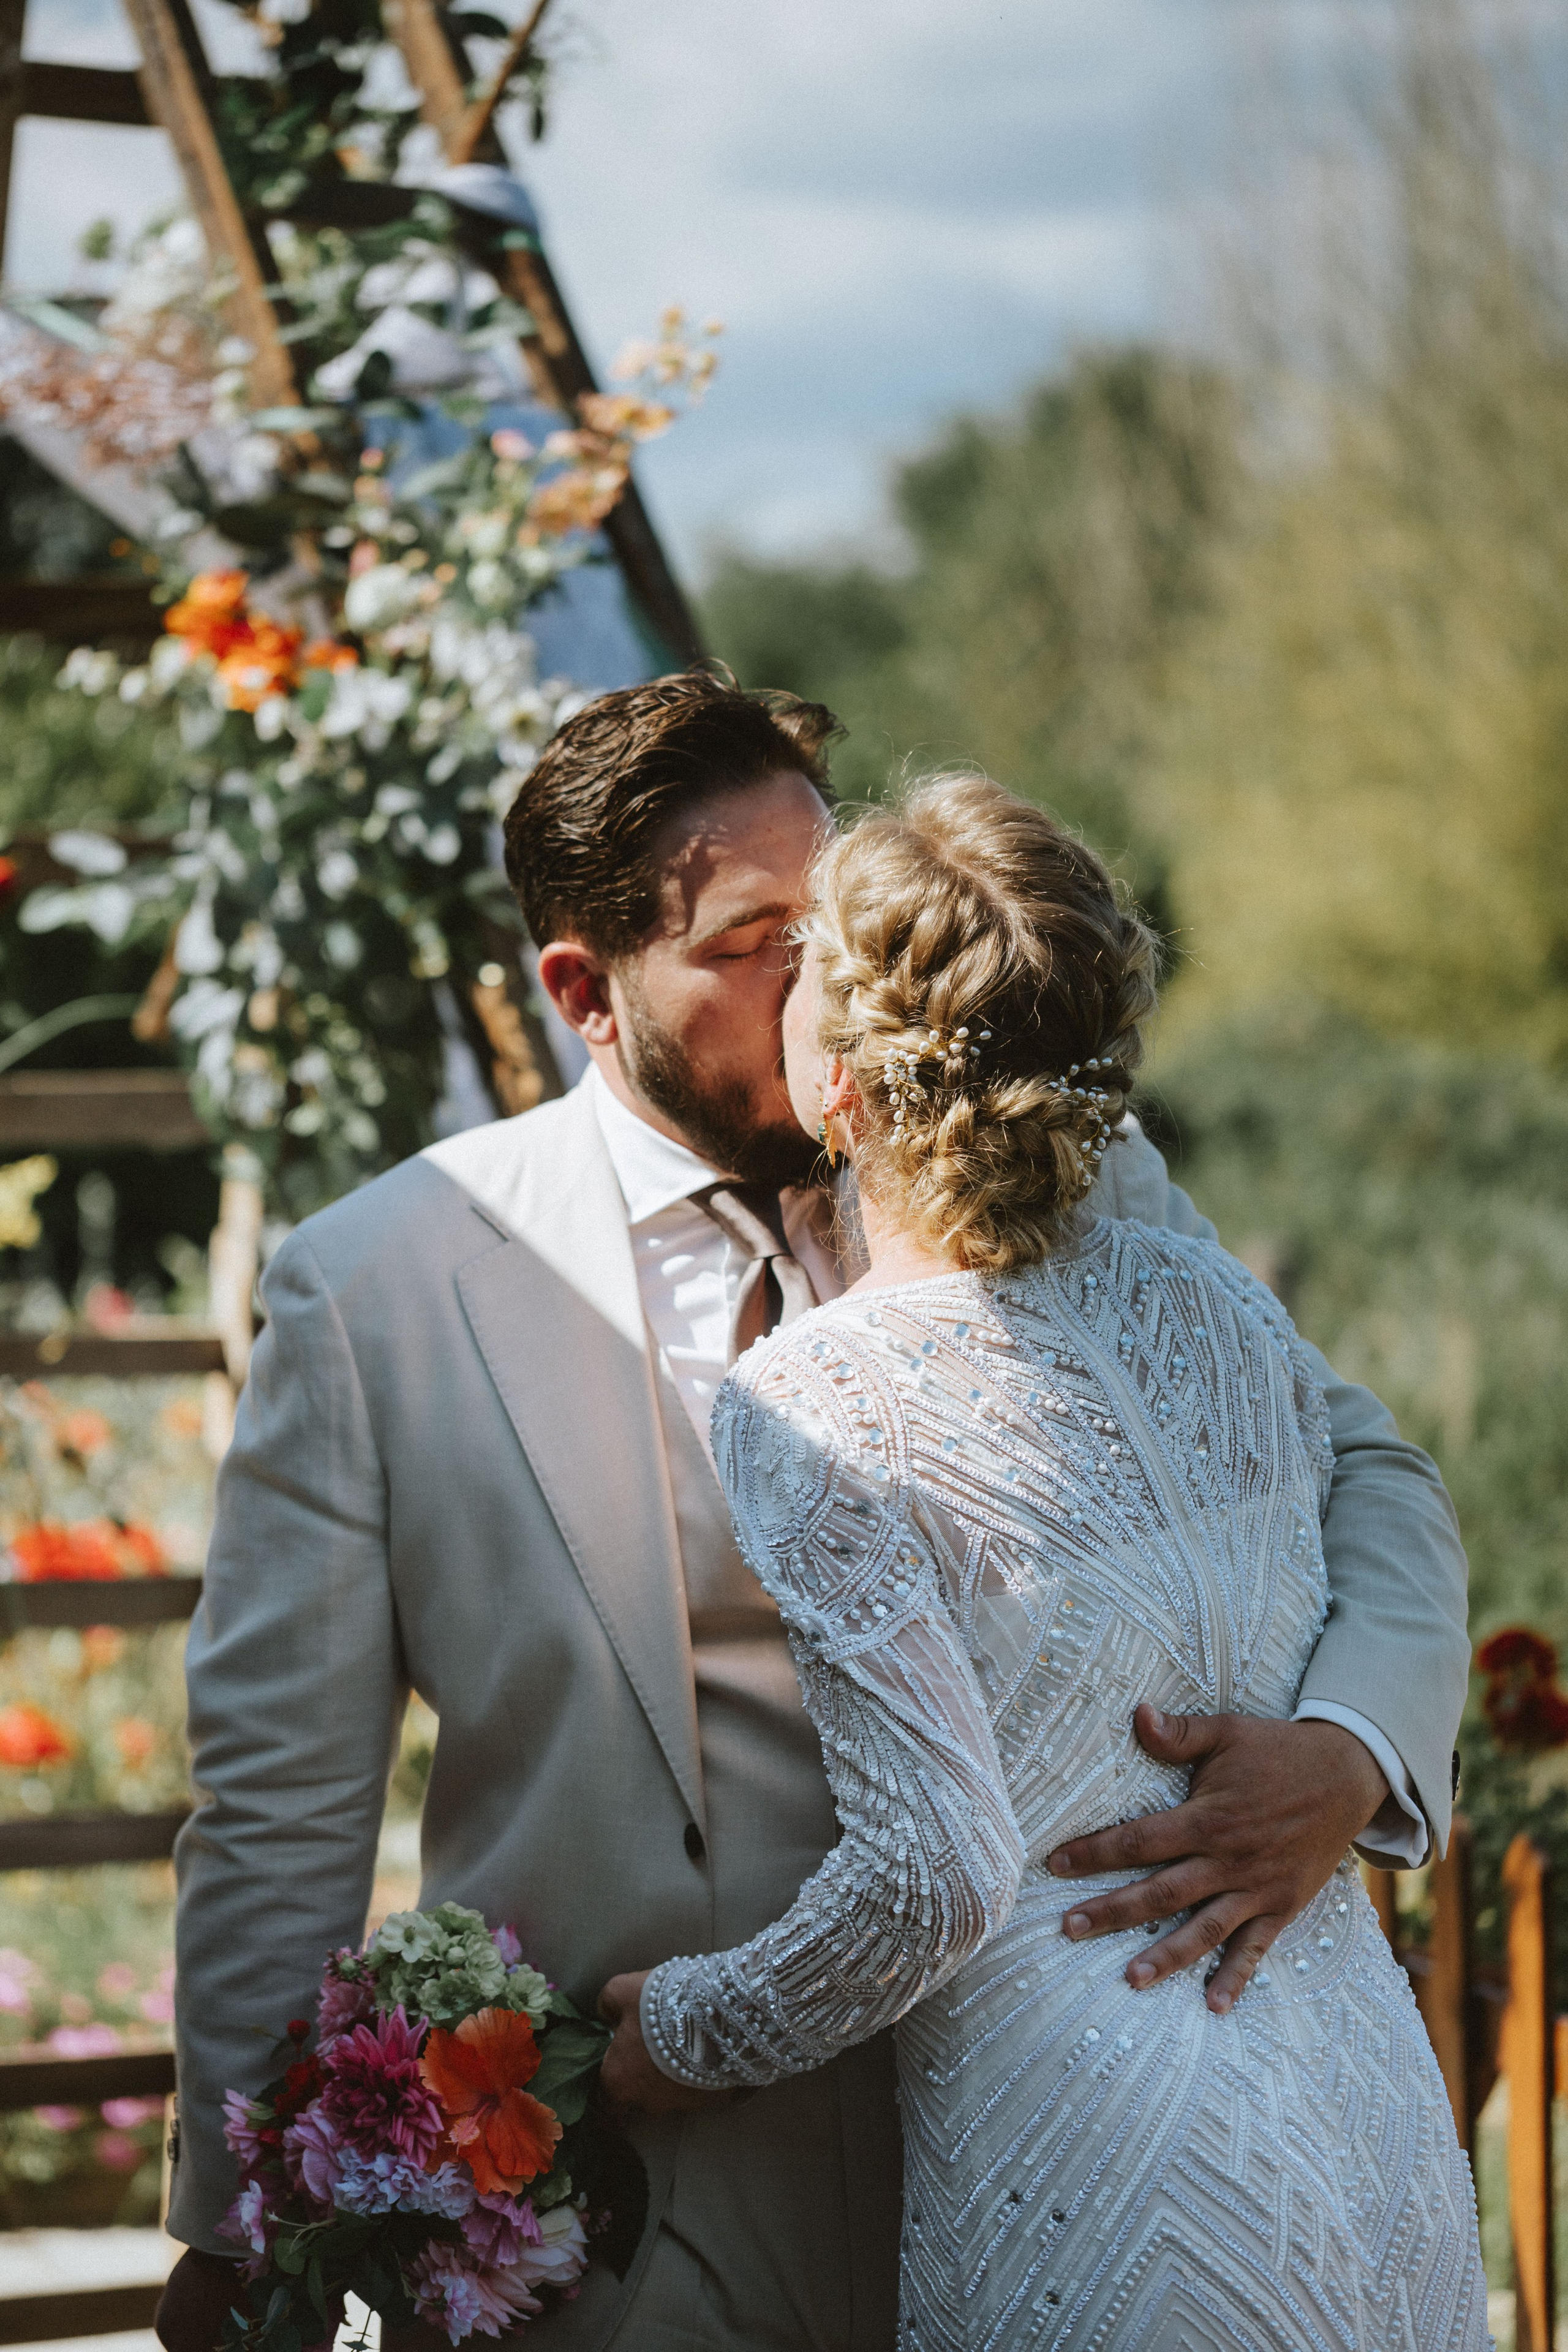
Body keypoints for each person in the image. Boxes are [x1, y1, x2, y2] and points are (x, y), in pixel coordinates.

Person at [157, 676, 1469, 2352]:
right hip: (638, 2213)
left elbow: (1370, 1475)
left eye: (831, 901)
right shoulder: (379, 1291)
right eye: (756, 935)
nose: (831, 975)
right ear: (586, 989)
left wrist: (1351, 1750)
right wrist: (233, 2236)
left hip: (1082, 2146)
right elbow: (281, 1802)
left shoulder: (1061, 1164)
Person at [597, 772, 1488, 2350]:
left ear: (851, 1087)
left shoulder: (818, 1397)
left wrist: (681, 2031)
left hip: (1091, 2159)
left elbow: (931, 1876)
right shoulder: (1218, 1303)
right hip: (1363, 2112)